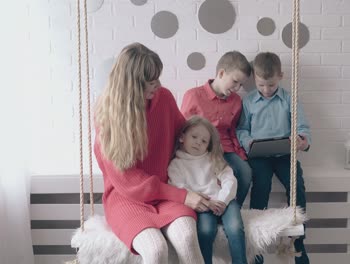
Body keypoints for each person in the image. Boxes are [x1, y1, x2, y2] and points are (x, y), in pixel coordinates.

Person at [93, 42, 208, 264]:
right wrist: (183, 195)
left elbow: (181, 136)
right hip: (126, 199)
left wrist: (209, 144)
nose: (158, 85)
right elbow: (130, 183)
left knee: (186, 237)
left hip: (165, 191)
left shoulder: (163, 98)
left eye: (158, 78)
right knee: (155, 250)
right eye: (152, 81)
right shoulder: (107, 119)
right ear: (132, 85)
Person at [236, 52, 311, 264]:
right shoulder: (249, 102)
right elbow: (241, 129)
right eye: (261, 85)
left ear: (280, 76)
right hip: (259, 156)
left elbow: (303, 128)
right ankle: (256, 245)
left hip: (284, 155)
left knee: (297, 184)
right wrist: (249, 142)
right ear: (255, 81)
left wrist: (301, 140)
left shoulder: (289, 100)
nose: (266, 90)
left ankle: (298, 241)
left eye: (270, 85)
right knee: (261, 186)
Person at [168, 116, 248, 264]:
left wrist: (222, 200)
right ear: (181, 137)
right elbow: (178, 187)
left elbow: (229, 179)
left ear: (208, 146)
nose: (198, 142)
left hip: (223, 201)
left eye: (204, 141)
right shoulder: (176, 165)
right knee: (205, 232)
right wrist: (206, 203)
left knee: (235, 228)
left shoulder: (211, 159)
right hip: (202, 206)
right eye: (194, 137)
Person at [181, 51, 252, 207]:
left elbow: (232, 130)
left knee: (245, 173)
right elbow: (184, 129)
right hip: (202, 150)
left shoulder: (236, 101)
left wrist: (241, 154)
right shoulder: (193, 95)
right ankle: (208, 208)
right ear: (221, 73)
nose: (237, 87)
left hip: (227, 149)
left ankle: (230, 209)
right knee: (208, 179)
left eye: (241, 84)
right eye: (235, 81)